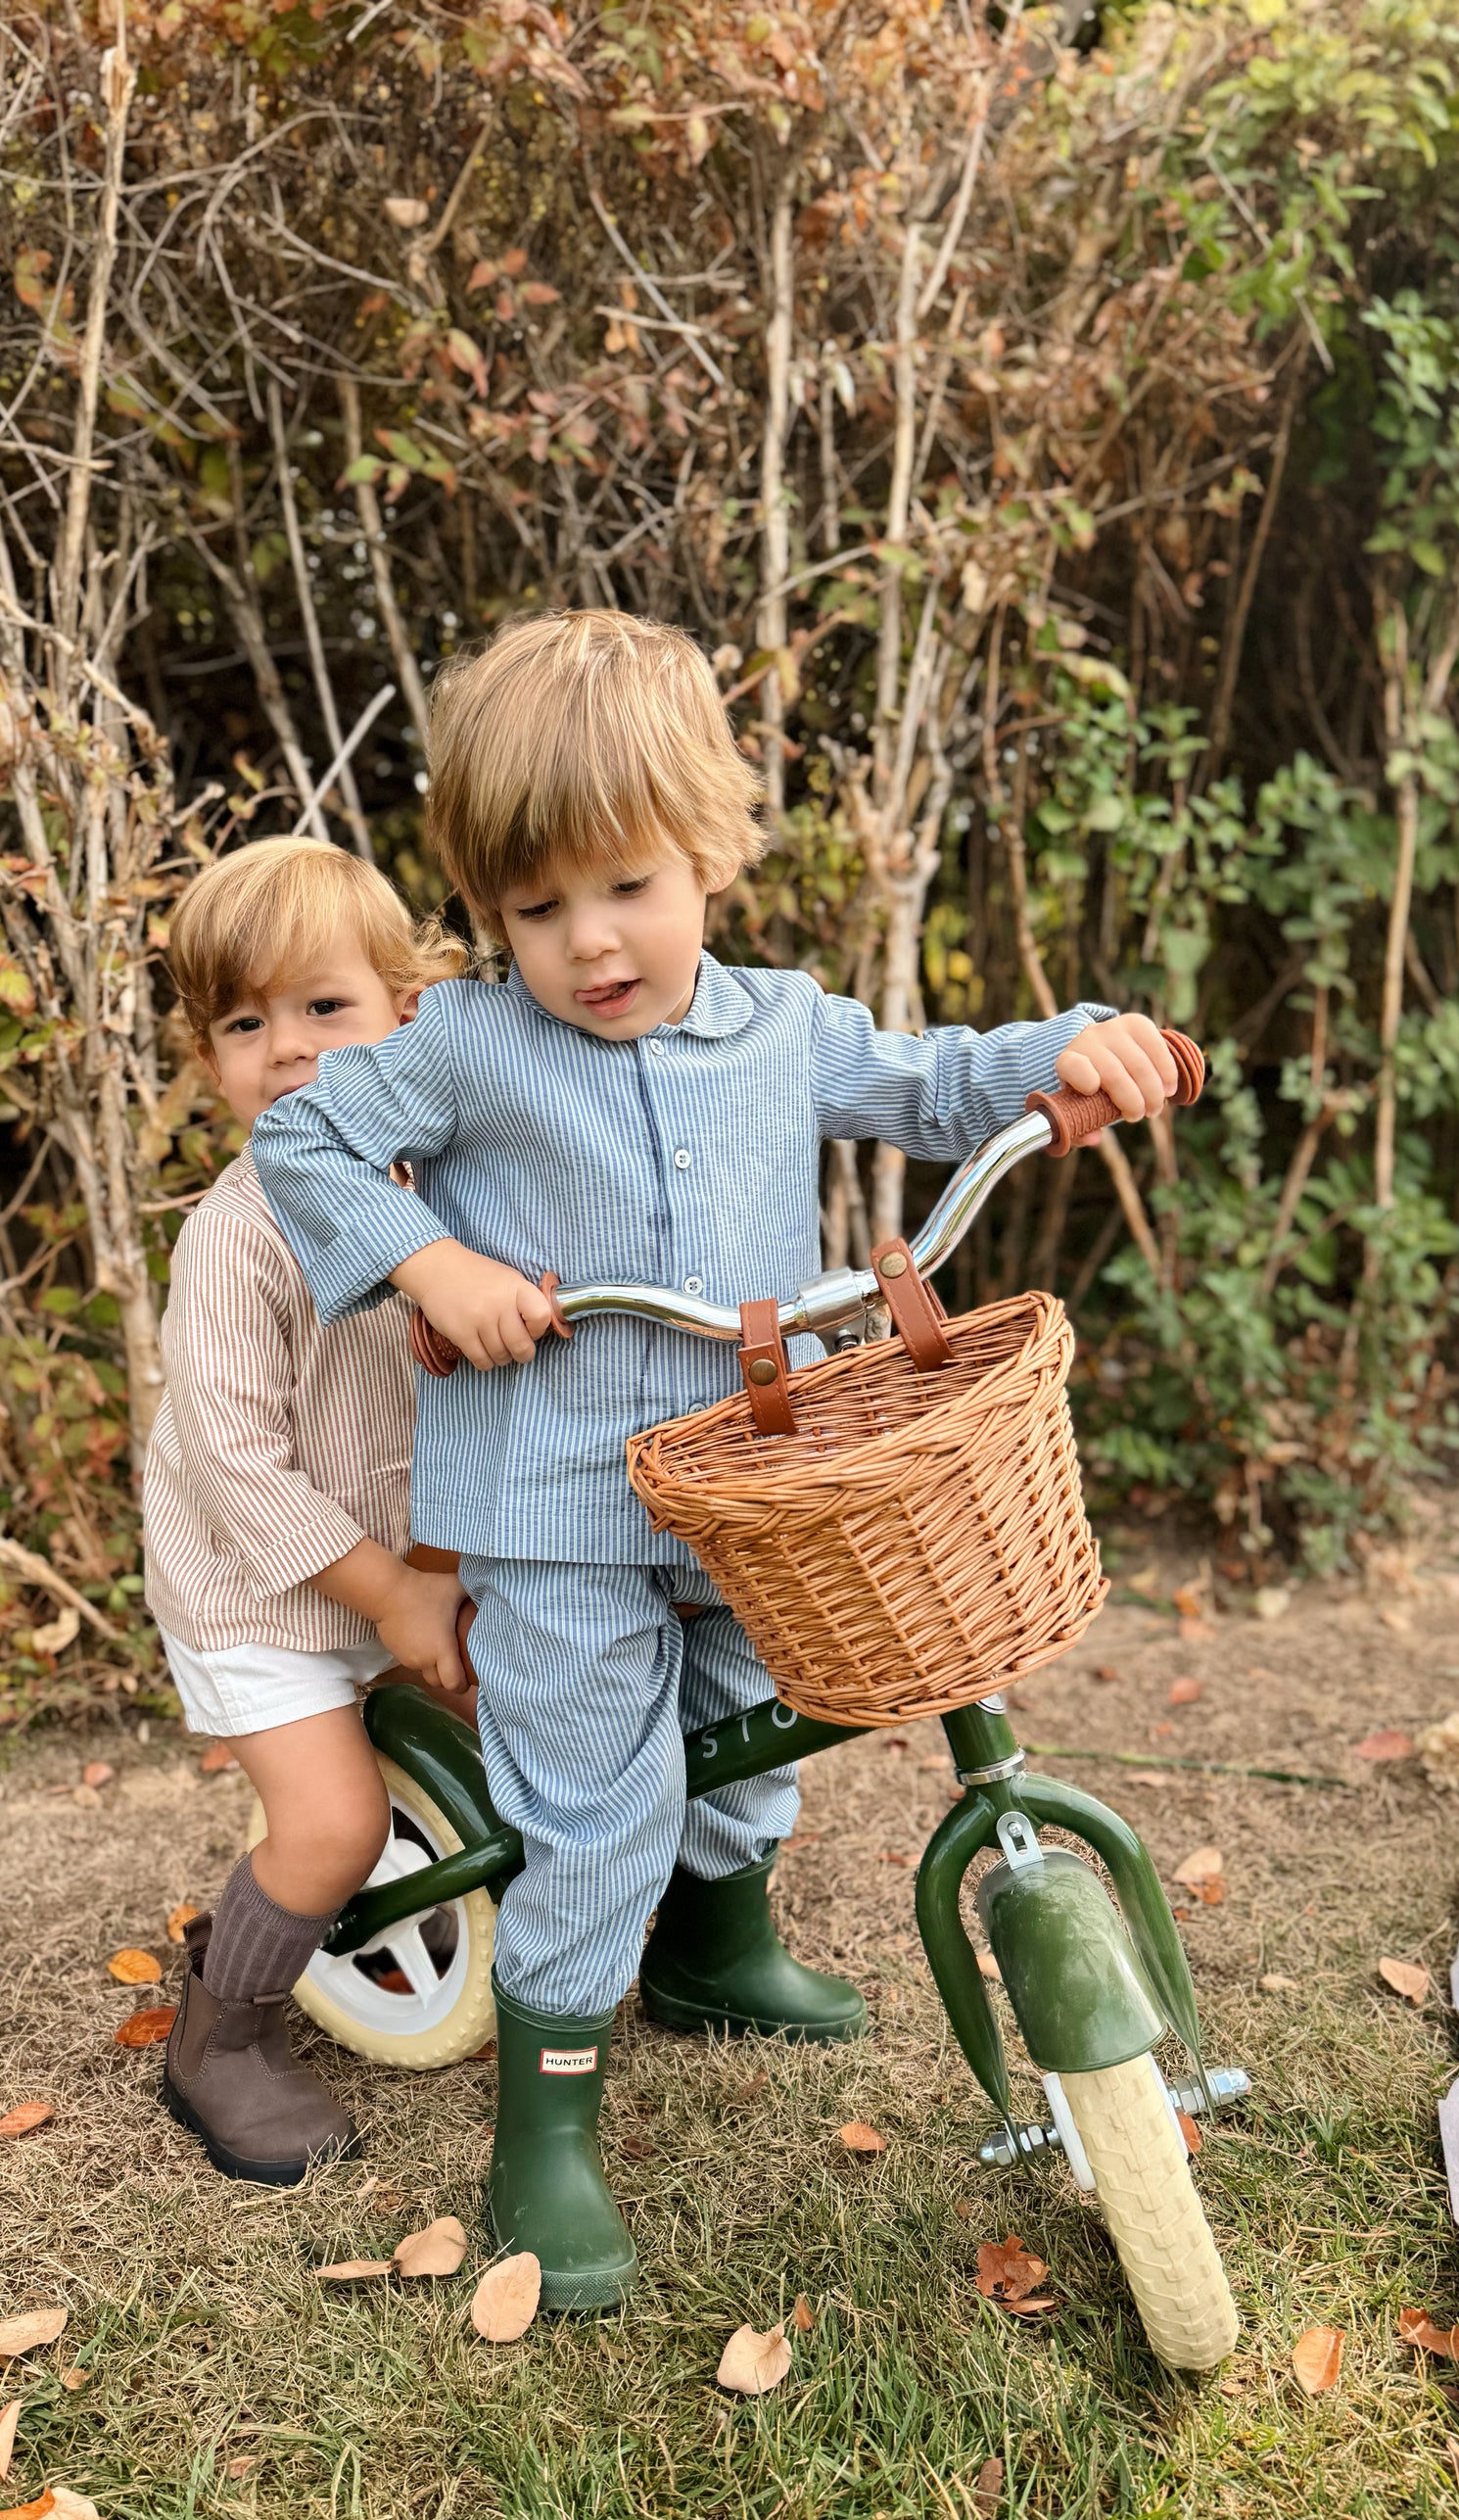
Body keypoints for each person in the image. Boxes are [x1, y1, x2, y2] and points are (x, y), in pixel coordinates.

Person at [253, 611, 1178, 2305]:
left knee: (755, 1727)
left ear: (709, 853)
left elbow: (936, 1080)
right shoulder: (466, 1045)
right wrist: (429, 1262)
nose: (590, 941)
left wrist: (1069, 1049)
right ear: (490, 912)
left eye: (628, 886)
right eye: (537, 909)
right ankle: (547, 2122)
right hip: (558, 1502)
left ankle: (716, 1948)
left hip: (757, 1477)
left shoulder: (781, 1026)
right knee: (596, 1798)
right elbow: (303, 1134)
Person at [143, 835, 471, 2186]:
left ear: (410, 1008)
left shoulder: (443, 1190)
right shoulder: (237, 1235)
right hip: (252, 1586)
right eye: (243, 1023)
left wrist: (435, 1572)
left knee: (520, 1718)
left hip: (399, 1557)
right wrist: (396, 1597)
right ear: (209, 1056)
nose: (283, 1047)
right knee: (333, 1824)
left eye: (323, 1006)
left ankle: (490, 1915)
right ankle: (220, 2033)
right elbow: (235, 1464)